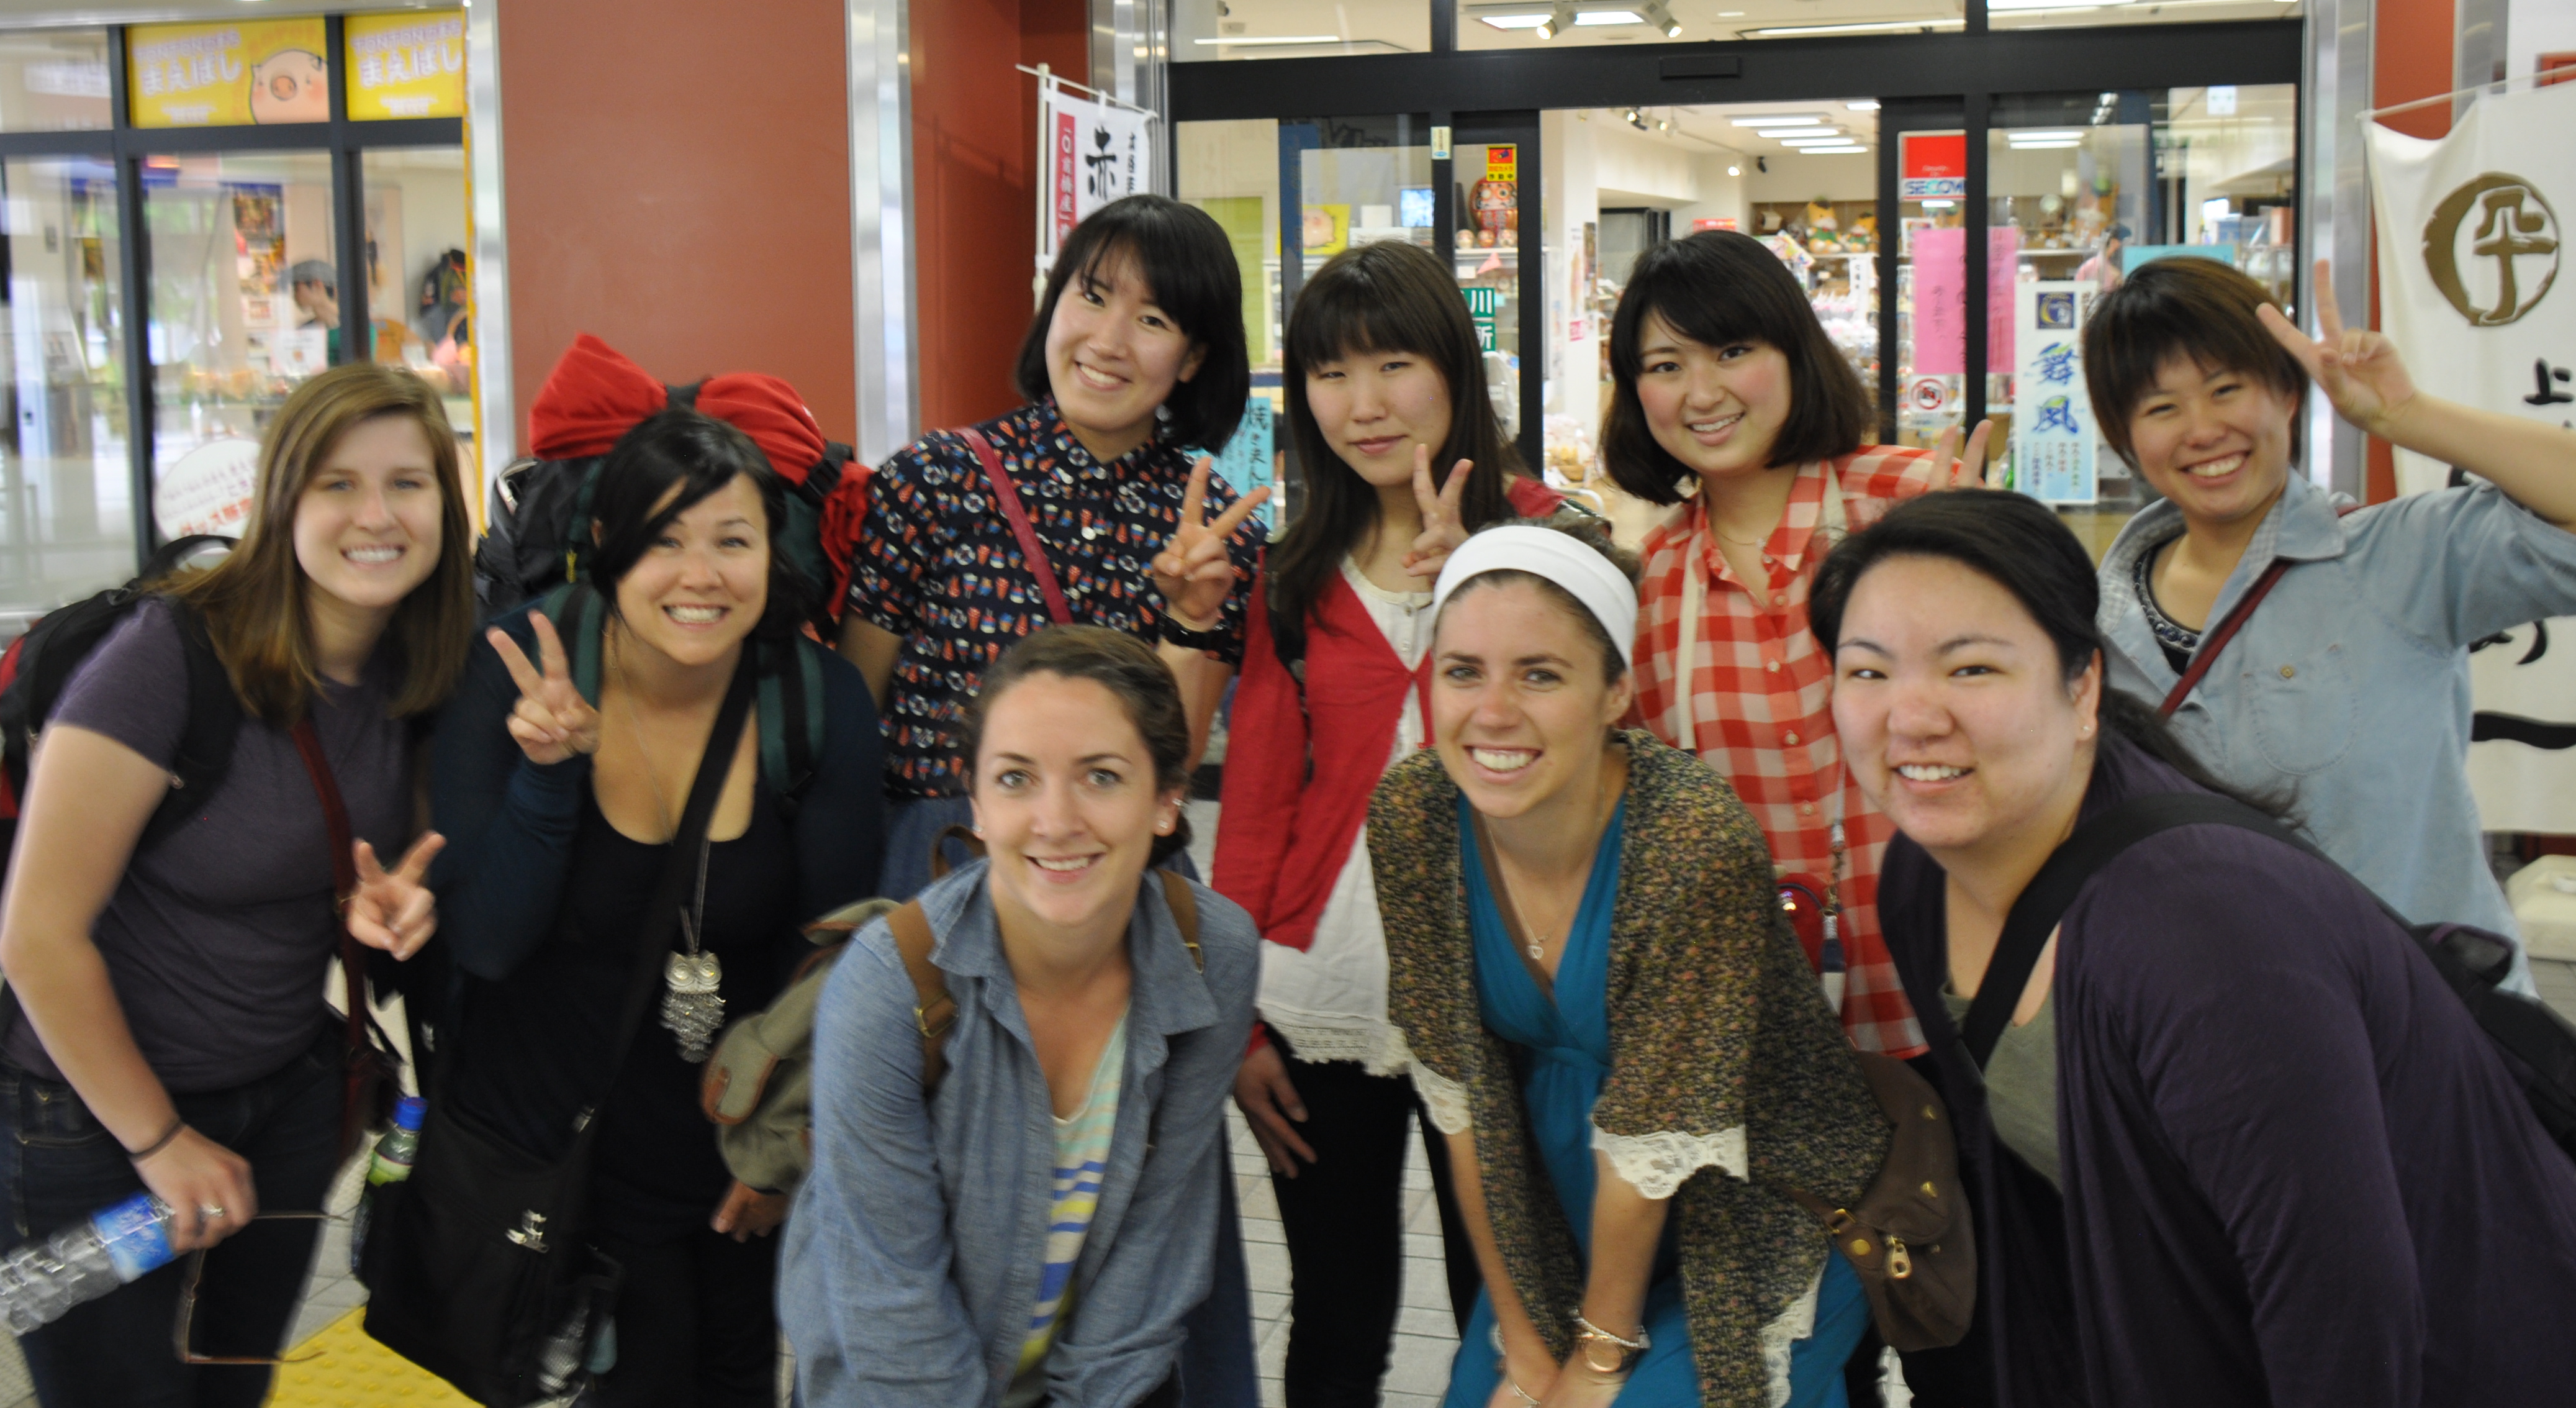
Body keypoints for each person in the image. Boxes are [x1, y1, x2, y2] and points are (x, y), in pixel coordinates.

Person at [1826, 488, 2576, 1407]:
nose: (1910, 718)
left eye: (1971, 670)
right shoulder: (1922, 880)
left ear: (2082, 688)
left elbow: (2341, 1311)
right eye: (1868, 672)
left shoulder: (2202, 933)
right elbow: (2035, 1210)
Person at [0, 363, 466, 1406]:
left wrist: (371, 909)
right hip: (71, 1133)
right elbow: (36, 934)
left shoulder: (409, 664)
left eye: (406, 484)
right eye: (336, 484)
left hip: (276, 1115)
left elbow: (291, 853)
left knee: (229, 1394)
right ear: (281, 499)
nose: (374, 515)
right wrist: (158, 1138)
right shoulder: (166, 653)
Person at [1370, 517, 1888, 1408]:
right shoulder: (1414, 815)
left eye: (1540, 674)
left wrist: (1597, 1361)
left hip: (1757, 1199)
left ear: (1616, 692)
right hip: (1560, 1198)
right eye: (1463, 672)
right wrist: (1523, 1335)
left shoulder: (1689, 839)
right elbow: (1458, 1100)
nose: (1492, 713)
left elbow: (1655, 1143)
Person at [430, 407, 886, 1407]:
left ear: (774, 551)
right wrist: (548, 777)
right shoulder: (518, 668)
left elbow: (838, 961)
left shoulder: (813, 704)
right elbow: (489, 944)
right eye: (664, 540)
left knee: (734, 1380)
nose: (700, 575)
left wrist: (782, 1150)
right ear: (604, 547)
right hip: (556, 1151)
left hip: (729, 1155)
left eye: (733, 540)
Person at [1218, 242, 1554, 1405]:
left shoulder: (1553, 539)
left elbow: (1602, 762)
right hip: (1327, 994)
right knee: (1336, 1312)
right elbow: (1257, 805)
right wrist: (1240, 1021)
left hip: (1513, 993)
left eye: (1392, 363)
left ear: (1454, 369)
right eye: (1326, 372)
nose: (1360, 404)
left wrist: (1485, 589)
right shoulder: (1293, 577)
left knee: (1509, 1308)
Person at [2082, 256, 2576, 978]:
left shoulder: (2400, 559)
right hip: (2214, 1034)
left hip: (2421, 1038)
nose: (2201, 430)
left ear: (2286, 393)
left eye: (2225, 388)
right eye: (2160, 407)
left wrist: (2409, 418)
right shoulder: (2095, 622)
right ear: (2126, 435)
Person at [783, 625, 1260, 1408]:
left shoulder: (1213, 952)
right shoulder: (885, 984)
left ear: (1167, 798)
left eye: (1101, 776)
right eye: (1015, 779)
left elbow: (1157, 1239)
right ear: (974, 797)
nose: (1056, 819)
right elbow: (890, 1303)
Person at [1602, 229, 1988, 1056]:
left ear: (1794, 352)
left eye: (1733, 350)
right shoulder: (1658, 579)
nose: (1702, 392)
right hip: (1768, 1020)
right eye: (1666, 365)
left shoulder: (1911, 502)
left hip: (1961, 987)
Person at [840, 193, 1268, 903]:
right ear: (1054, 301)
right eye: (1091, 297)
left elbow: (1172, 764)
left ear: (1192, 358)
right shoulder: (935, 478)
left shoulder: (1219, 531)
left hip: (1113, 868)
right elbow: (853, 719)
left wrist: (1191, 618)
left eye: (1152, 319)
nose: (1107, 340)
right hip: (942, 857)